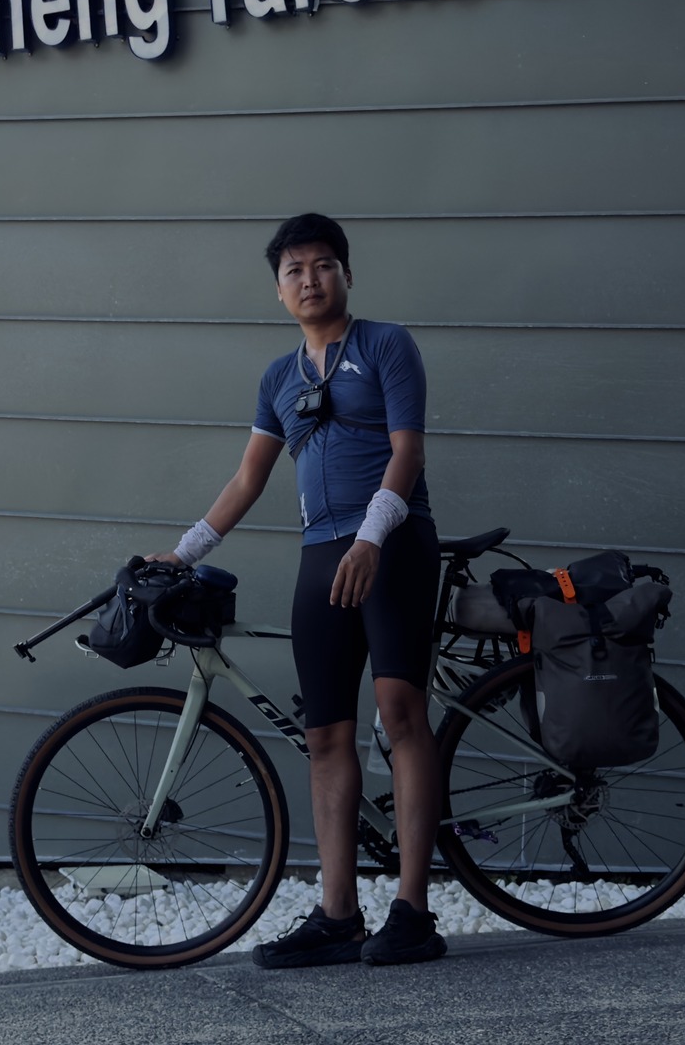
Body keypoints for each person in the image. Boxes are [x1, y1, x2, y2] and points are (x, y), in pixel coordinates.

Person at [148, 211, 445, 967]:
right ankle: (338, 916)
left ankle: (413, 912)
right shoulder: (279, 379)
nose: (309, 279)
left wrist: (372, 537)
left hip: (393, 543)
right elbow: (249, 478)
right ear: (278, 291)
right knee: (324, 737)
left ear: (346, 274)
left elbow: (407, 452)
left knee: (400, 714)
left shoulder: (385, 344)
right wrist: (183, 553)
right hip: (321, 555)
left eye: (322, 265)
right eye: (294, 270)